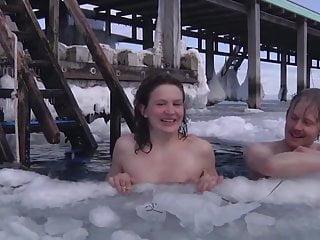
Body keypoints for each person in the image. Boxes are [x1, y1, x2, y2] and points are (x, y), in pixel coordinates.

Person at [107, 73, 222, 192]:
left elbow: (216, 200)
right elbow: (103, 193)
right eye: (161, 104)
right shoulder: (125, 147)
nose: (170, 111)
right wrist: (118, 181)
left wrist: (209, 186)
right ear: (144, 110)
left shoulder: (201, 150)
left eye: (177, 104)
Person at [245, 88, 320, 178]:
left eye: (307, 122)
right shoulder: (259, 149)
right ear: (287, 115)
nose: (297, 127)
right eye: (293, 118)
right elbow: (269, 166)